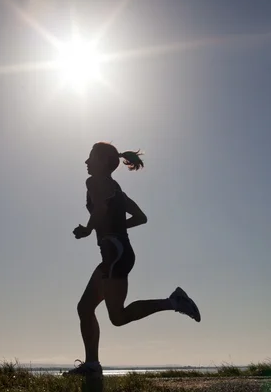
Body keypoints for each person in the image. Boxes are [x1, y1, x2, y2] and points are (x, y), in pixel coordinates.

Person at [64, 142, 201, 377]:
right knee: (86, 308)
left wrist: (88, 230)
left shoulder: (94, 182)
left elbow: (98, 210)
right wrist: (114, 227)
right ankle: (92, 365)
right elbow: (141, 217)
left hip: (115, 254)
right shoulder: (117, 189)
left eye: (90, 158)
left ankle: (174, 302)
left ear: (104, 162)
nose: (86, 162)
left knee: (116, 316)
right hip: (118, 252)